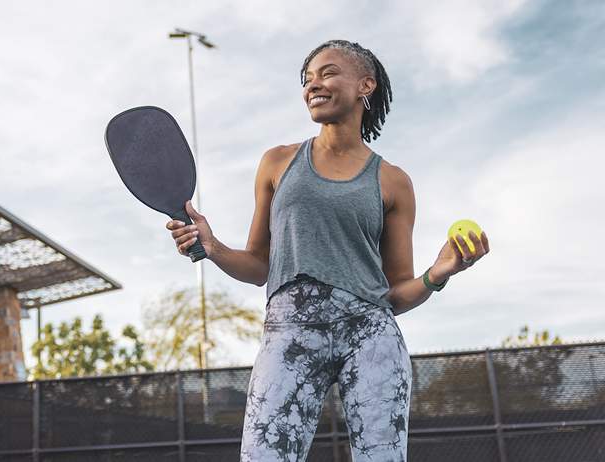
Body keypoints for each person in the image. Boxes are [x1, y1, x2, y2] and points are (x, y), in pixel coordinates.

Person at [165, 39, 490, 462]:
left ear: (365, 85)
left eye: (328, 72)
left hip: (370, 335)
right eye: (307, 79)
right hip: (289, 332)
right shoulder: (277, 162)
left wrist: (437, 273)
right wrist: (213, 247)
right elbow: (259, 266)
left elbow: (395, 295)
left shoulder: (394, 181)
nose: (313, 84)